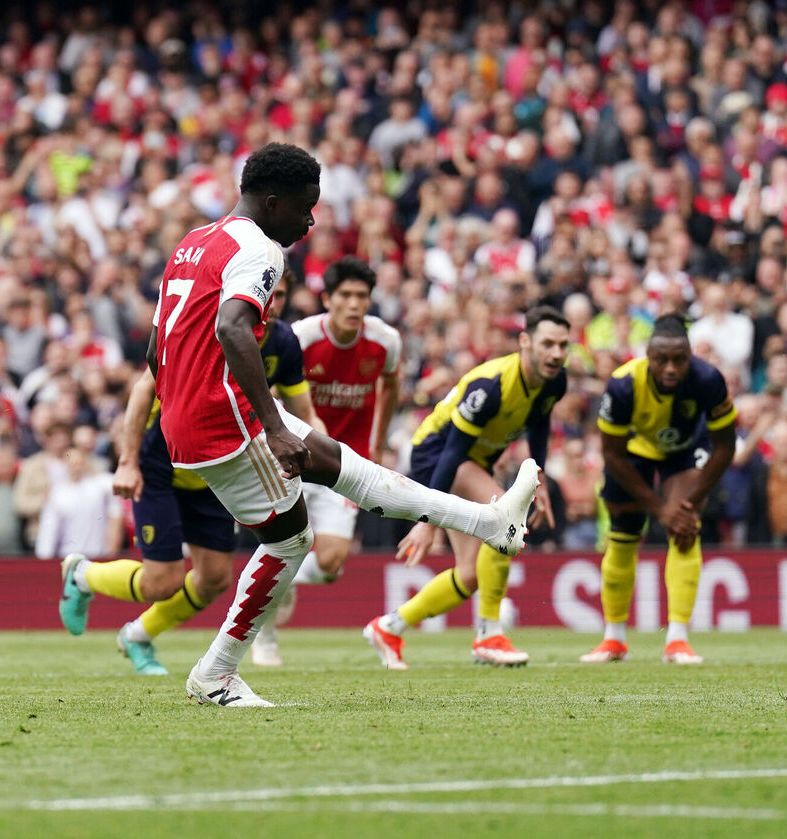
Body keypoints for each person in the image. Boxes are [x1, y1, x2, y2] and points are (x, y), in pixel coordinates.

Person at [58, 143, 539, 707]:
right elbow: (233, 328)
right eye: (305, 208)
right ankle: (216, 673)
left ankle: (490, 523)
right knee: (291, 540)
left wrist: (195, 395)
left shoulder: (193, 243)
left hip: (199, 410)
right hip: (222, 415)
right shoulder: (260, 251)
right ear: (272, 200)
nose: (310, 222)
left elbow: (154, 345)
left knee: (342, 466)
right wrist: (271, 424)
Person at [59, 268, 320, 676]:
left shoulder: (283, 341)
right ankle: (82, 574)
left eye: (282, 295)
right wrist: (127, 461)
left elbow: (304, 412)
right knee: (162, 581)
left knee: (214, 579)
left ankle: (138, 636)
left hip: (216, 469)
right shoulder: (206, 325)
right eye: (271, 291)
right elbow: (144, 388)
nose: (274, 300)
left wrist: (327, 463)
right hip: (161, 465)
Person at [363, 305, 569, 669]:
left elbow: (538, 423)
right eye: (547, 343)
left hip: (471, 462)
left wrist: (543, 482)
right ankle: (489, 635)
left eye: (563, 345)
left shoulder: (555, 381)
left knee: (472, 575)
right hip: (437, 456)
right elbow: (452, 453)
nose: (556, 354)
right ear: (525, 342)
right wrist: (428, 522)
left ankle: (389, 627)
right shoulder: (489, 386)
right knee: (507, 521)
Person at [252, 256, 401, 667]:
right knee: (283, 544)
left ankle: (288, 582)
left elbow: (390, 385)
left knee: (332, 563)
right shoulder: (299, 337)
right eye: (346, 296)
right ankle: (265, 639)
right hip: (294, 456)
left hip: (345, 459)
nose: (355, 304)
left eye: (362, 297)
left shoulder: (385, 341)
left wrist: (380, 441)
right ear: (328, 299)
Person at [580, 313, 737, 665]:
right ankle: (614, 639)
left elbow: (725, 448)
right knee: (622, 535)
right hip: (631, 455)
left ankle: (677, 641)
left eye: (679, 360)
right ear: (647, 355)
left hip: (682, 453)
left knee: (684, 527)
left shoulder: (709, 380)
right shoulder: (622, 385)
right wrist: (658, 507)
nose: (670, 368)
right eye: (661, 359)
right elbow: (611, 454)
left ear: (690, 356)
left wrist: (687, 504)